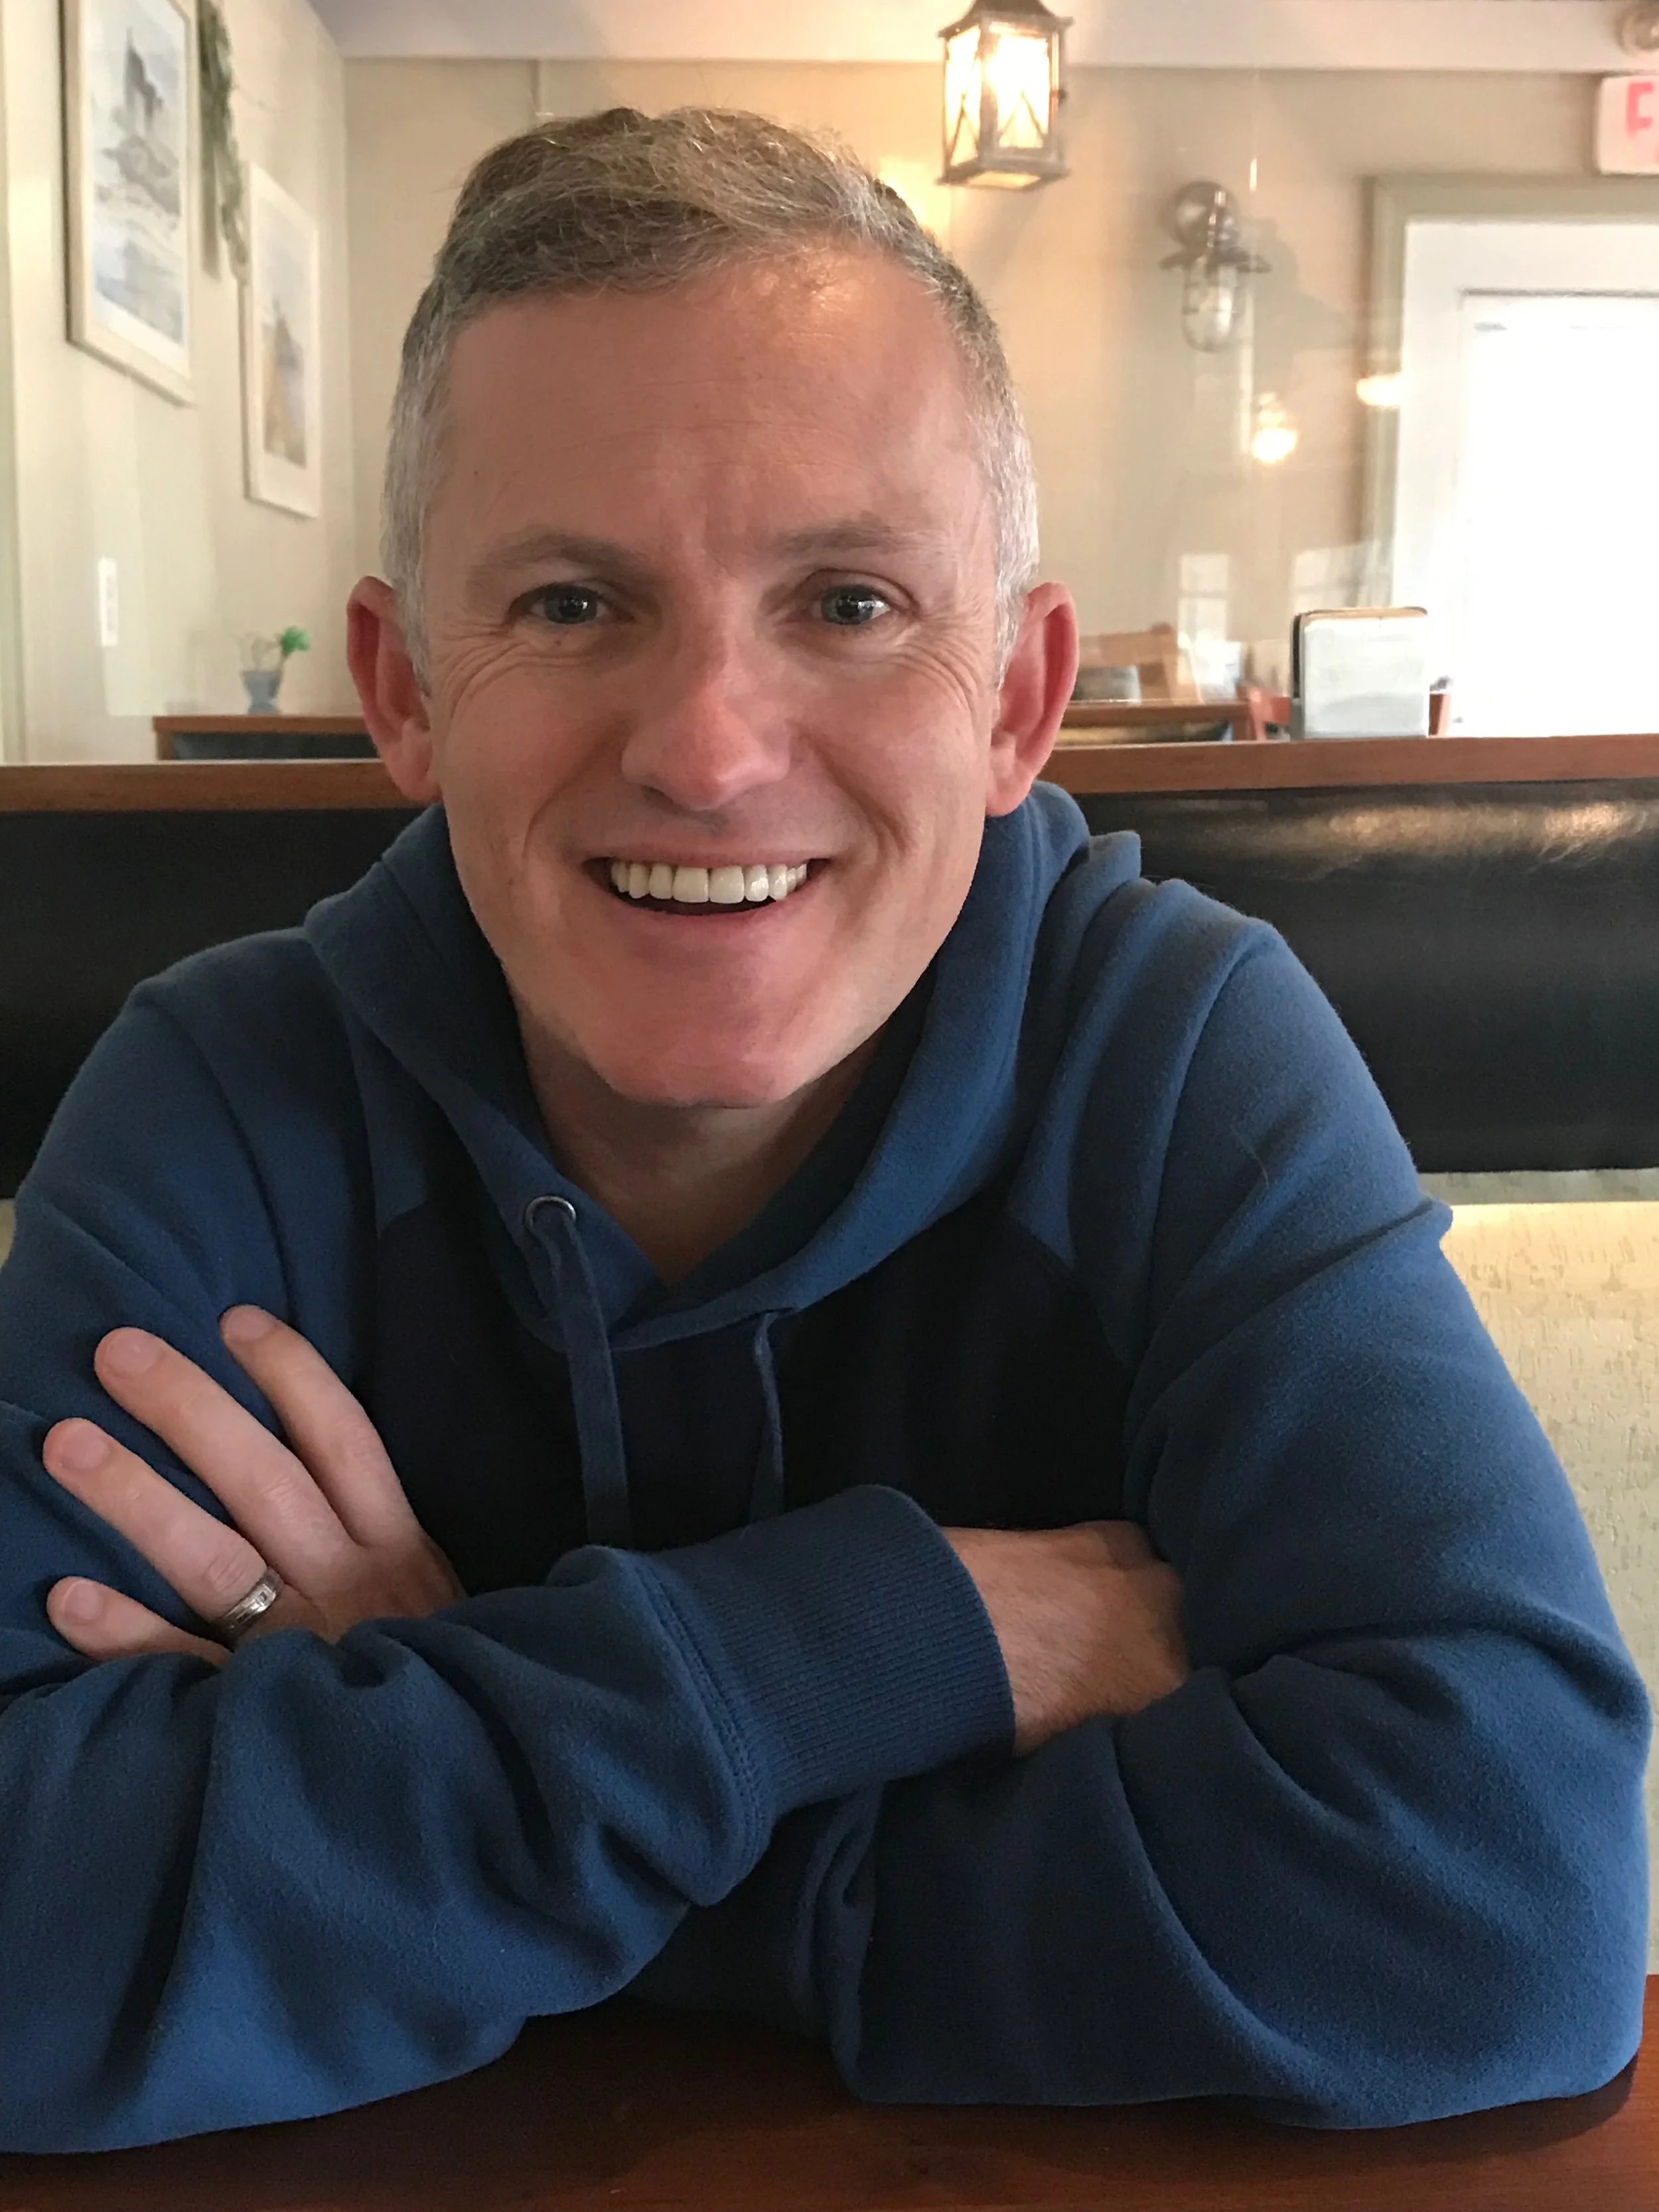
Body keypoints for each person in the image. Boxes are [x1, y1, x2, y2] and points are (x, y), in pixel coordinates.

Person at [0, 109, 1647, 2154]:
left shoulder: (1179, 1051)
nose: (706, 748)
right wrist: (874, 1646)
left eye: (850, 601)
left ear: (1016, 699)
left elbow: (1498, 1904)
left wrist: (475, 1741)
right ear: (404, 688)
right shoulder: (223, 1091)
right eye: (574, 604)